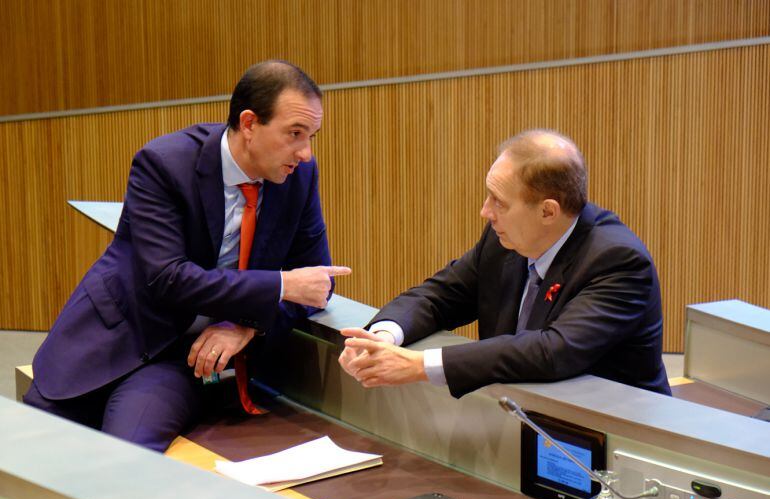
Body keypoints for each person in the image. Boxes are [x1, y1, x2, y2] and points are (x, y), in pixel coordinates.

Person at [25, 60, 351, 451]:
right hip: (115, 332)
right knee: (31, 456)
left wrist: (247, 326)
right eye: (295, 134)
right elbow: (168, 277)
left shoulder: (298, 179)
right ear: (249, 124)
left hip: (183, 355)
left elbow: (316, 285)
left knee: (127, 459)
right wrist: (280, 285)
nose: (306, 153)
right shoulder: (165, 163)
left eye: (312, 136)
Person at [339, 129, 670, 398]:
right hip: (524, 426)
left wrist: (420, 365)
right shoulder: (504, 241)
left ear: (548, 211)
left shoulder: (618, 262)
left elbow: (552, 350)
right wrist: (384, 337)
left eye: (499, 201)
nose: (486, 211)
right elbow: (441, 296)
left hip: (617, 442)